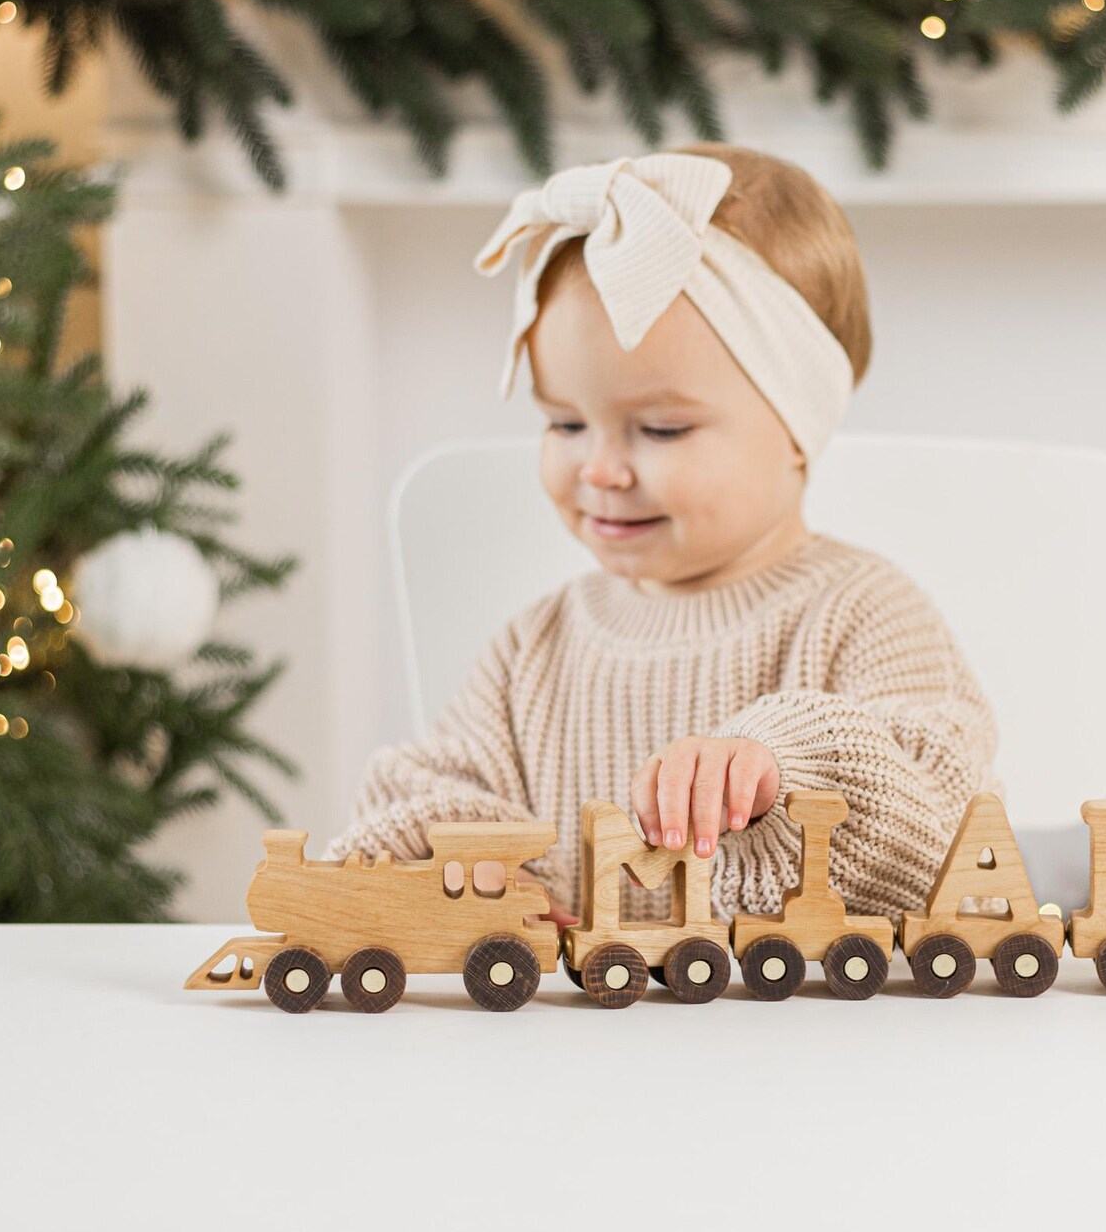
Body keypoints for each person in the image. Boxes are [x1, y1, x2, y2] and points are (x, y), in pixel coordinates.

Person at [324, 143, 1000, 925]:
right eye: (564, 422)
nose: (600, 469)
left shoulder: (865, 611)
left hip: (807, 1037)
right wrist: (465, 869)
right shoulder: (533, 651)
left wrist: (785, 764)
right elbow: (431, 793)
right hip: (575, 1045)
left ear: (797, 430)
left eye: (662, 428)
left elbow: (940, 799)